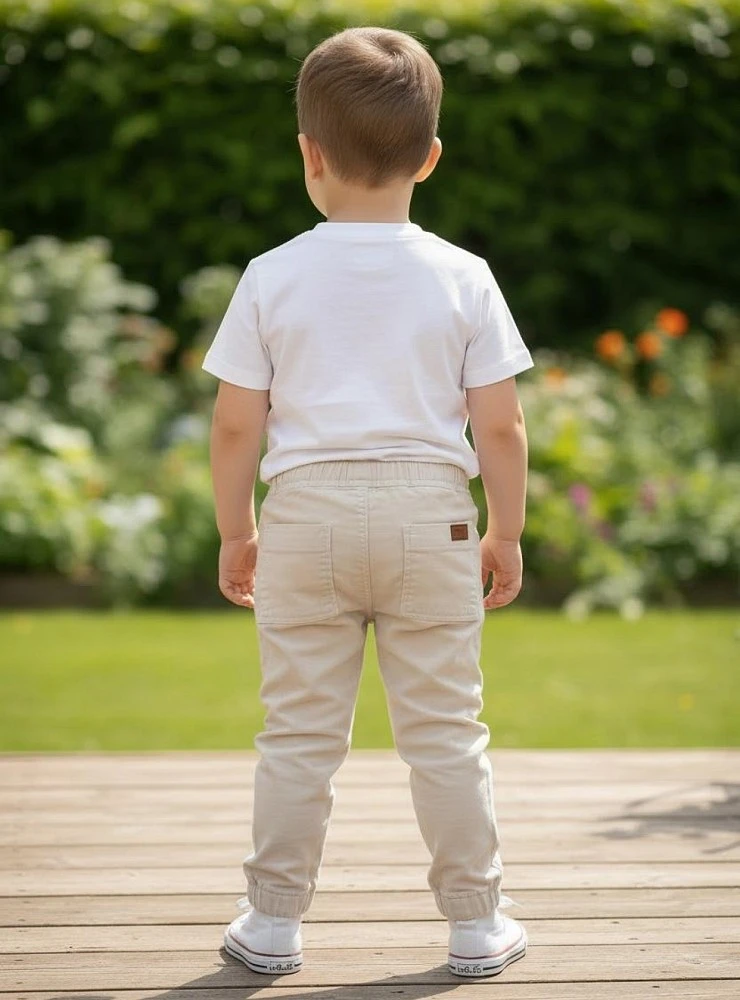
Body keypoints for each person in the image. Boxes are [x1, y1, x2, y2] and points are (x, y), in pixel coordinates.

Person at [202, 25, 532, 980]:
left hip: (305, 518)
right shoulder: (464, 275)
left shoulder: (271, 276)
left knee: (300, 733)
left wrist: (238, 529)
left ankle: (271, 925)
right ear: (429, 158)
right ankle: (475, 922)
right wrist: (505, 530)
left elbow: (235, 426)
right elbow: (500, 428)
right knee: (445, 730)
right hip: (434, 516)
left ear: (309, 155)